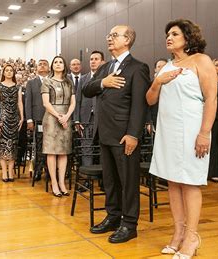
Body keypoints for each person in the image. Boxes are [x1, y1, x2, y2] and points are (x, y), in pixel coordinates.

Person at [146, 19, 217, 258]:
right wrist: (157, 81)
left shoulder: (201, 60)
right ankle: (178, 234)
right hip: (167, 131)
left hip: (191, 129)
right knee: (173, 182)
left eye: (175, 33)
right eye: (167, 33)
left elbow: (211, 99)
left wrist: (204, 132)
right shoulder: (165, 66)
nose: (169, 36)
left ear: (188, 37)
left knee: (189, 181)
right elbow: (150, 100)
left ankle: (192, 237)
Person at [83, 24, 150, 244]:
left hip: (124, 136)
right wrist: (104, 82)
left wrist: (133, 134)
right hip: (105, 133)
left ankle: (129, 224)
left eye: (114, 35)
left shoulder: (138, 67)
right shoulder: (105, 67)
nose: (109, 38)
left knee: (128, 181)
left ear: (128, 39)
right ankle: (113, 216)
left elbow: (140, 105)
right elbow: (87, 89)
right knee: (110, 180)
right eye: (109, 35)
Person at [41, 56, 76, 196]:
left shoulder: (69, 82)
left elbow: (73, 102)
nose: (58, 64)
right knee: (51, 151)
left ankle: (62, 182)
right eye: (55, 62)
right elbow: (46, 103)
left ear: (64, 65)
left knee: (63, 151)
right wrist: (58, 116)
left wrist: (66, 116)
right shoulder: (46, 81)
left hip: (66, 118)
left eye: (60, 62)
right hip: (51, 118)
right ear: (52, 66)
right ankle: (54, 183)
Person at [0, 65, 24, 182]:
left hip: (15, 119)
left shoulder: (18, 87)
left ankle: (11, 172)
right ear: (3, 73)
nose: (9, 72)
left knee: (13, 145)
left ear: (14, 72)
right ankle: (4, 172)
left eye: (11, 70)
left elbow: (20, 103)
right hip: (2, 118)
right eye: (7, 70)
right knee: (2, 145)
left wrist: (22, 117)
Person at [75, 50, 104, 166]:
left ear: (102, 62)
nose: (93, 61)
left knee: (103, 148)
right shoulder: (83, 79)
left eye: (96, 59)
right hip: (86, 119)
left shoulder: (106, 78)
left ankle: (104, 178)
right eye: (91, 59)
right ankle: (88, 177)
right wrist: (77, 119)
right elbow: (77, 100)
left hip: (102, 118)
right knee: (86, 147)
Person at [25, 59, 50, 181]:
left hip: (52, 120)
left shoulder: (53, 81)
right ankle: (38, 171)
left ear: (49, 67)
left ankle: (50, 171)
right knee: (39, 146)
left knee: (50, 146)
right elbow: (27, 102)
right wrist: (29, 119)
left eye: (45, 64)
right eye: (40, 64)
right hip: (37, 120)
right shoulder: (31, 83)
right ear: (36, 68)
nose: (42, 66)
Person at [146, 58, 168, 134]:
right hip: (156, 119)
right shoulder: (149, 85)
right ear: (155, 69)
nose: (162, 68)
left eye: (164, 66)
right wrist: (148, 122)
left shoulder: (175, 83)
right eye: (159, 66)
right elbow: (146, 104)